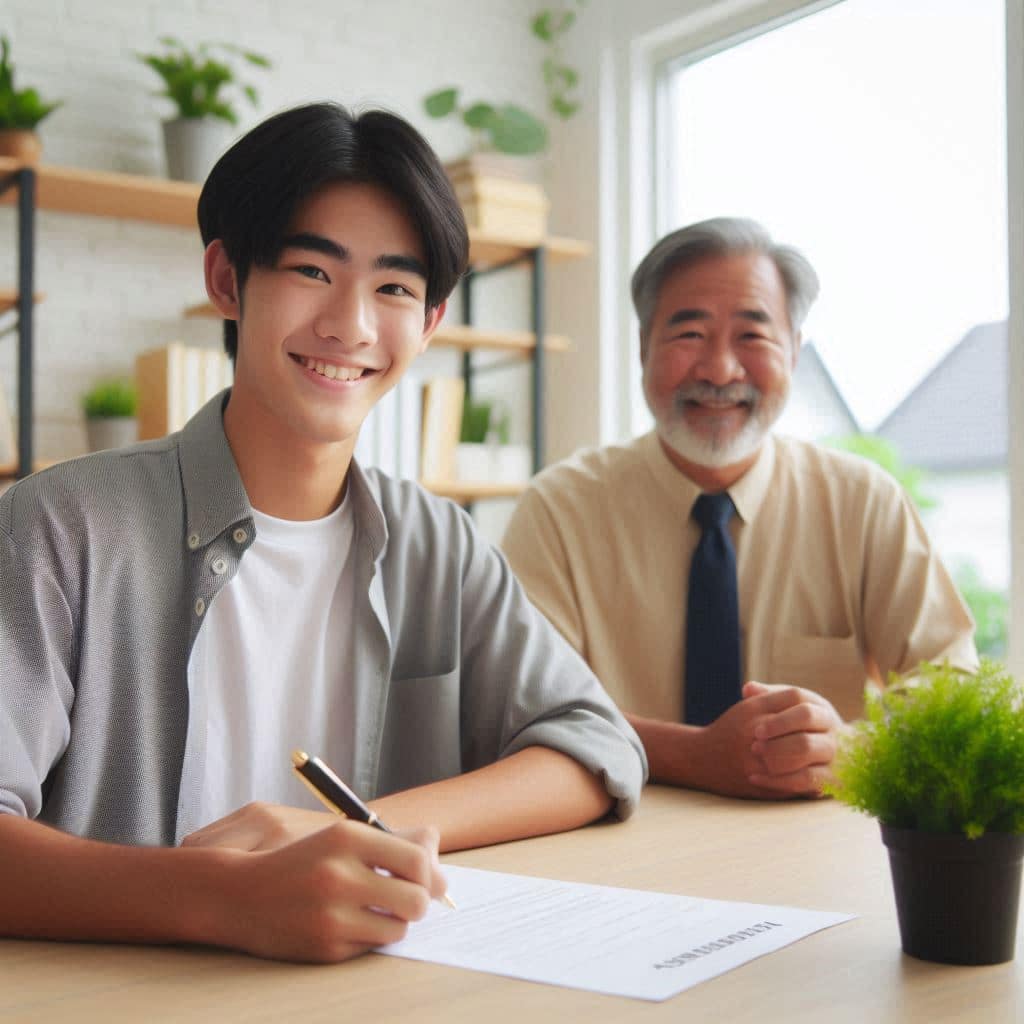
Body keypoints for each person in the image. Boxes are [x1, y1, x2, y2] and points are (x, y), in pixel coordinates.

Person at [0, 102, 646, 964]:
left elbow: (595, 744)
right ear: (228, 279)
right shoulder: (62, 525)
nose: (350, 325)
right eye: (312, 270)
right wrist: (230, 898)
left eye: (394, 288)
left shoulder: (436, 542)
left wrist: (360, 833)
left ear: (431, 322)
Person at [502, 216, 976, 802]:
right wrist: (696, 756)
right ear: (644, 347)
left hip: (815, 843)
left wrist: (845, 748)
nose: (721, 370)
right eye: (689, 334)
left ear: (795, 352)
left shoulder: (864, 502)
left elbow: (950, 692)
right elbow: (520, 706)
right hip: (622, 833)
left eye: (752, 336)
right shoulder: (560, 510)